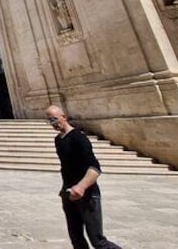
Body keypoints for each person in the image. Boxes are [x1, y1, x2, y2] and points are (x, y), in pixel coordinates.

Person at [45, 106, 121, 249]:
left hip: (87, 195)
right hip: (69, 194)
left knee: (98, 241)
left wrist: (81, 186)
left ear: (63, 117)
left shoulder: (78, 137)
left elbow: (94, 167)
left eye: (54, 119)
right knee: (76, 238)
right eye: (49, 120)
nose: (52, 123)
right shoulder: (58, 140)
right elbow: (67, 167)